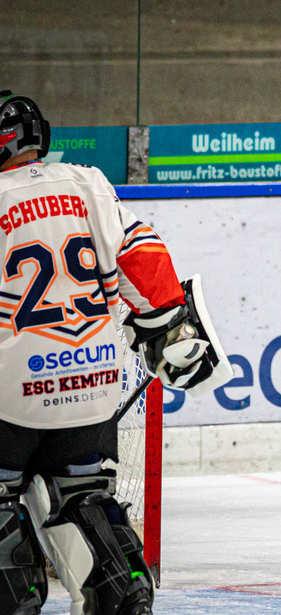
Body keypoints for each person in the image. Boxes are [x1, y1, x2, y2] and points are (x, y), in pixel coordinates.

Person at [0, 91, 231, 615]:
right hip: (91, 389)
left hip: (11, 397)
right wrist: (170, 327)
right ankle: (120, 587)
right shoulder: (90, 183)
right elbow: (144, 258)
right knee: (86, 498)